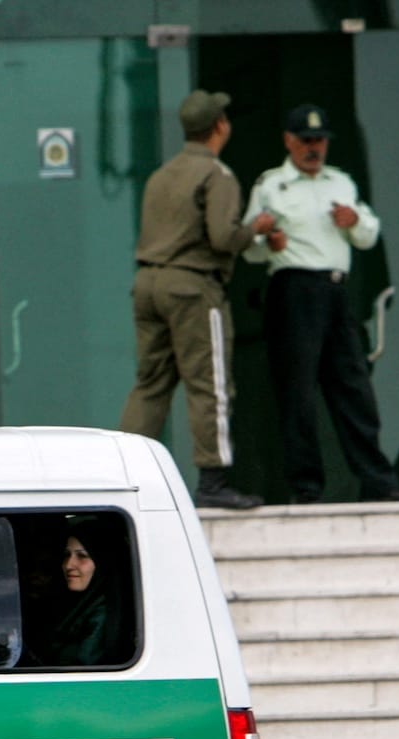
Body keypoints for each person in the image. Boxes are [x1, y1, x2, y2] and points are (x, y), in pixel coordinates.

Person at [241, 104, 399, 504]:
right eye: (306, 140)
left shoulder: (341, 182)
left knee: (354, 387)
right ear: (289, 141)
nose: (313, 148)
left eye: (319, 140)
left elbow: (368, 236)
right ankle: (306, 487)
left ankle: (379, 481)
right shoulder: (272, 185)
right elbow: (249, 246)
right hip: (293, 288)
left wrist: (354, 221)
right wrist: (268, 242)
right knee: (298, 392)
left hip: (336, 290)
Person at [119, 89, 276, 510]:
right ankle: (213, 481)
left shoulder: (161, 174)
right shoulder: (216, 174)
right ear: (220, 126)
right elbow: (223, 238)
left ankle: (123, 473)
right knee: (211, 384)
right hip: (191, 287)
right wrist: (256, 229)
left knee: (150, 384)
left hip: (148, 283)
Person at [32, 518, 132, 667]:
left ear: (102, 561)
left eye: (82, 556)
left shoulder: (104, 613)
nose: (68, 565)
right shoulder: (74, 602)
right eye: (67, 555)